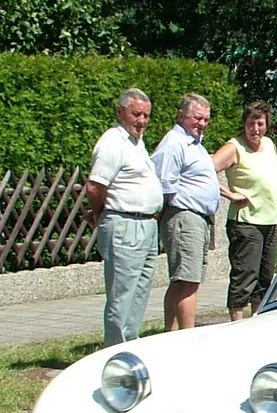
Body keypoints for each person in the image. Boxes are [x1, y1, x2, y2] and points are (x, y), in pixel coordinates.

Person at [84, 88, 164, 346]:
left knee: (139, 293)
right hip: (125, 224)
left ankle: (130, 346)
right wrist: (100, 215)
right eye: (136, 114)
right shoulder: (112, 142)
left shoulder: (135, 143)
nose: (141, 121)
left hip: (147, 224)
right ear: (120, 112)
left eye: (146, 116)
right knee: (122, 296)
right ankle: (114, 353)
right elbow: (95, 186)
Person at [151, 91, 220, 331]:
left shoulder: (195, 144)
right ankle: (186, 337)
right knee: (187, 281)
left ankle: (169, 335)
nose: (202, 124)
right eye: (197, 118)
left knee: (185, 280)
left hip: (197, 218)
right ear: (181, 116)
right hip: (184, 216)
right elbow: (165, 184)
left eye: (205, 119)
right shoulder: (175, 142)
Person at [210, 99, 277, 321]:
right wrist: (229, 193)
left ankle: (257, 320)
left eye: (260, 123)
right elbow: (206, 169)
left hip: (270, 221)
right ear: (244, 124)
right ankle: (237, 322)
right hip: (246, 222)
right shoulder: (235, 147)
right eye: (251, 123)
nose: (256, 129)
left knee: (264, 279)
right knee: (245, 276)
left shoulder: (269, 144)